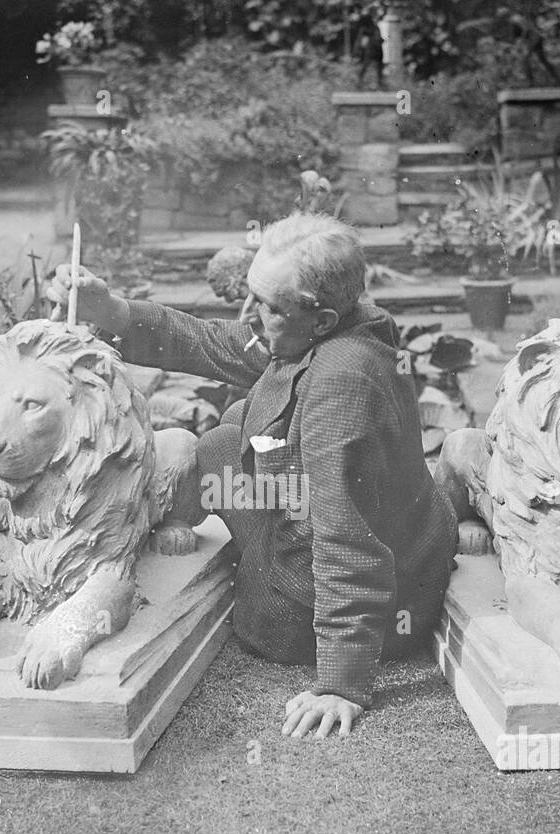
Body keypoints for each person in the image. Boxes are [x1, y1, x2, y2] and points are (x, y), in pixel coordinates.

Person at [47, 212, 456, 739]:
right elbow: (223, 344)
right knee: (234, 430)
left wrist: (340, 683)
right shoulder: (348, 322)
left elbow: (343, 540)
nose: (249, 314)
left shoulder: (339, 387)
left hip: (355, 603)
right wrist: (115, 312)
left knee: (221, 448)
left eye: (265, 306)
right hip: (415, 543)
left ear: (323, 321)